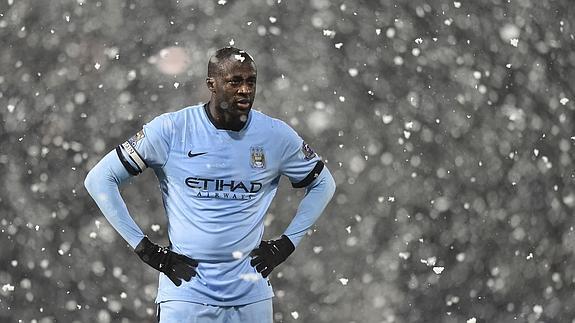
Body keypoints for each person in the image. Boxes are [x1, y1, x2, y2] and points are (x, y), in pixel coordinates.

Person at [84, 46, 336, 323]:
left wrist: (286, 245)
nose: (244, 90)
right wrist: (147, 250)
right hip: (185, 293)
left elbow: (324, 184)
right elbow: (100, 179)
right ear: (211, 85)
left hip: (251, 294)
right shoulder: (172, 129)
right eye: (234, 82)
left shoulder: (275, 135)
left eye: (250, 82)